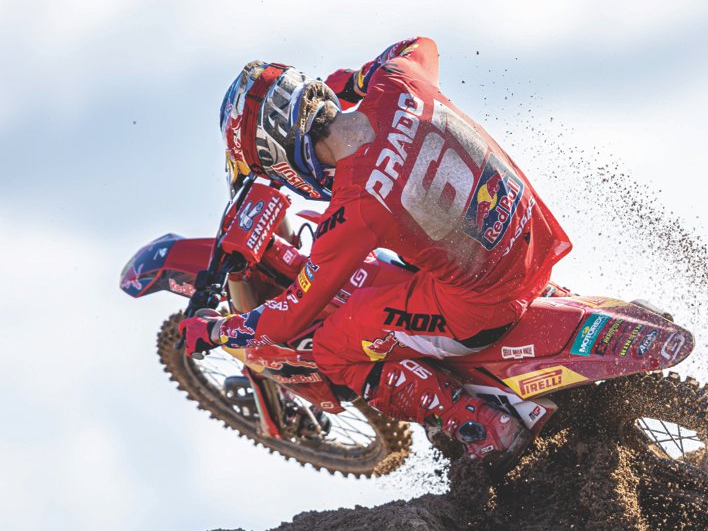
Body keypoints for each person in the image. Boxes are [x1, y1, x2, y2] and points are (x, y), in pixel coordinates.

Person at [179, 38, 572, 464]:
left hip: (485, 307)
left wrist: (217, 331)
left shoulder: (356, 207)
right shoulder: (398, 80)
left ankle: (478, 424)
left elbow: (288, 317)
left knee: (332, 347)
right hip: (534, 241)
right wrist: (355, 81)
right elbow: (420, 45)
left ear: (278, 153)